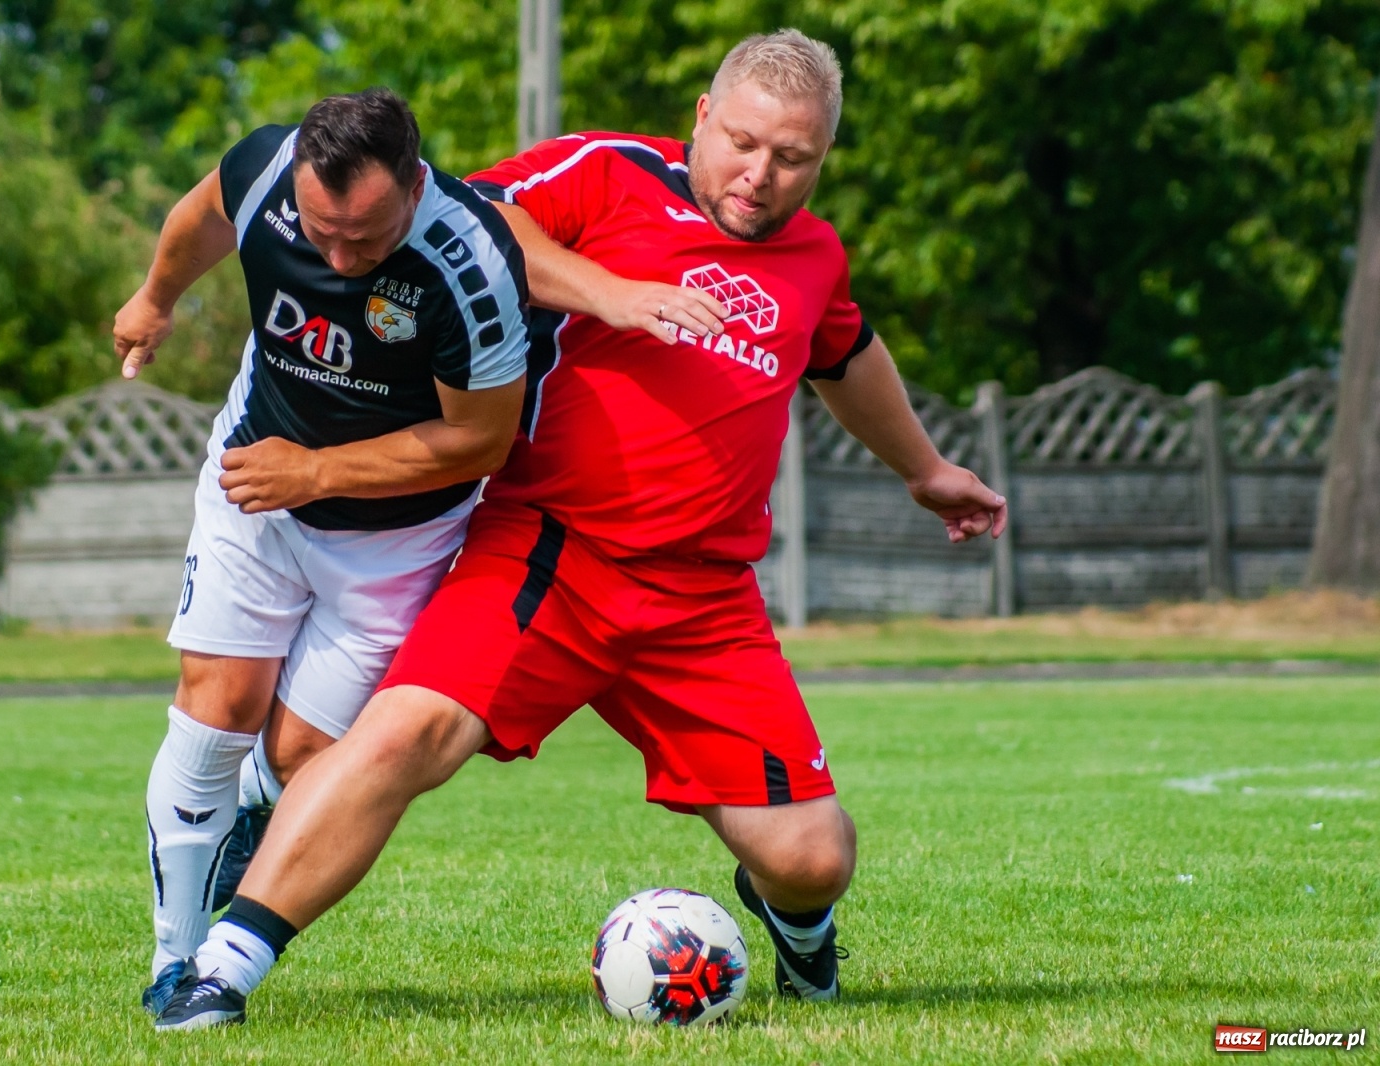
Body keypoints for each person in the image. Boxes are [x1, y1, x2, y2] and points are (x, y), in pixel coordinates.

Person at [154, 30, 1010, 1031]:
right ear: (702, 114)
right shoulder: (604, 174)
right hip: (548, 554)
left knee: (812, 857)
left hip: (703, 600)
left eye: (793, 158)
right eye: (742, 142)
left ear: (822, 156)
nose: (759, 174)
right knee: (404, 733)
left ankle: (802, 939)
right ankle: (221, 970)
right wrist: (612, 292)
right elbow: (465, 222)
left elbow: (844, 352)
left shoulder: (812, 253)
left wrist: (927, 470)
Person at [111, 87, 533, 1017]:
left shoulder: (474, 266)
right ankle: (176, 968)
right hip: (256, 475)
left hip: (397, 537)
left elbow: (482, 442)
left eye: (367, 237)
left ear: (417, 185)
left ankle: (254, 803)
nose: (340, 258)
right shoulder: (266, 166)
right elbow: (202, 215)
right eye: (321, 231)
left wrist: (320, 472)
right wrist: (155, 297)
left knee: (306, 755)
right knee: (215, 704)